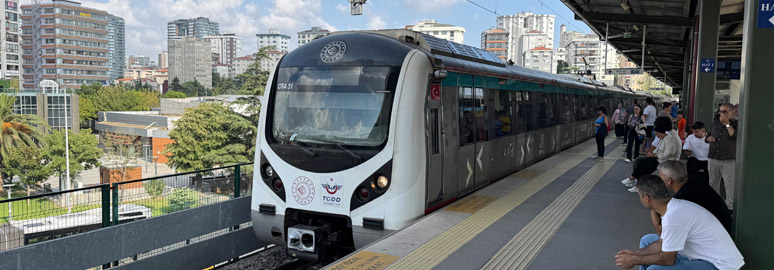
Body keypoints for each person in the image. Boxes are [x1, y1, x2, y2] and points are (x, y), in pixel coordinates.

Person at [615, 175, 744, 270]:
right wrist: (634, 254)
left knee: (655, 269)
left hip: (719, 264)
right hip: (700, 254)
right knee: (647, 240)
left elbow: (667, 259)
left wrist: (635, 260)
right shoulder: (673, 207)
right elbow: (662, 242)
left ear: (646, 198)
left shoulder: (674, 216)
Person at [656, 161, 732, 233]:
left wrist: (653, 203)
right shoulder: (696, 180)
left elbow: (661, 230)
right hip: (725, 227)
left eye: (660, 177)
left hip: (715, 235)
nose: (658, 180)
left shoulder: (680, 200)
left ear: (669, 181)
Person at [621, 117, 681, 193]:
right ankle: (634, 180)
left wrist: (653, 155)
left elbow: (668, 153)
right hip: (661, 159)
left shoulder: (669, 138)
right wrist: (652, 154)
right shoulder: (666, 136)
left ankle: (636, 182)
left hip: (666, 160)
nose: (656, 135)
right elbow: (658, 149)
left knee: (645, 164)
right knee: (644, 162)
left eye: (657, 134)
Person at [706, 103, 738, 209]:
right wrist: (708, 139)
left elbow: (734, 135)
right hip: (713, 157)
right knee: (713, 182)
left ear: (732, 113)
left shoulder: (736, 123)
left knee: (729, 184)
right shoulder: (715, 123)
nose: (721, 114)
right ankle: (714, 204)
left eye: (725, 111)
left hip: (728, 158)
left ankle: (729, 207)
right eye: (720, 111)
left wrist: (727, 124)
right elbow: (707, 136)